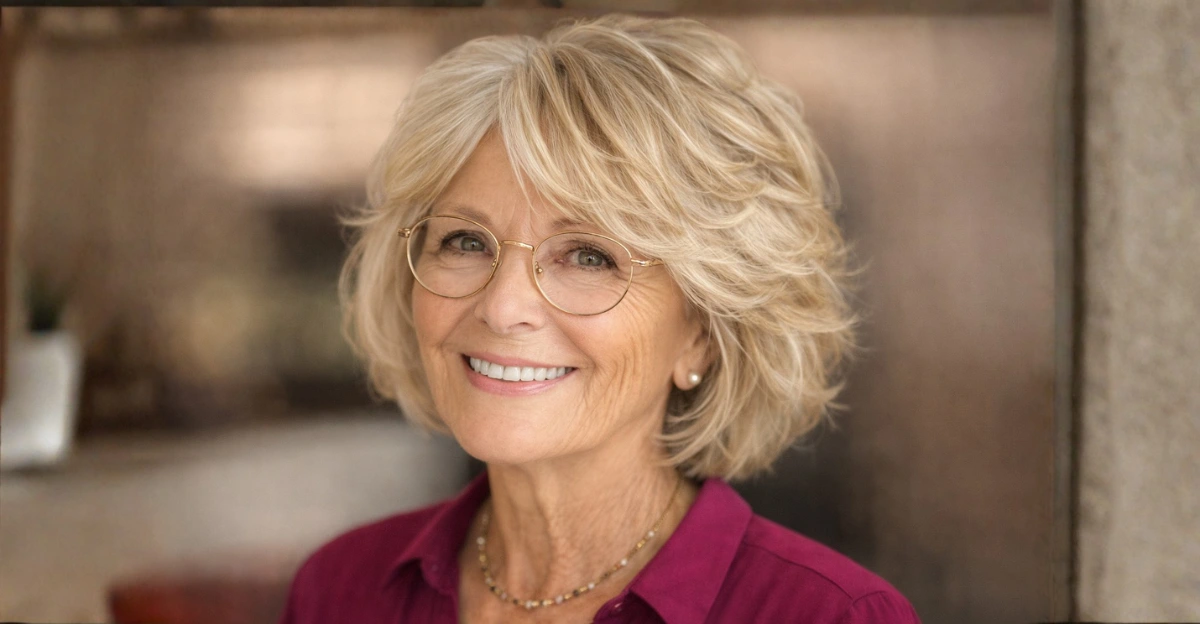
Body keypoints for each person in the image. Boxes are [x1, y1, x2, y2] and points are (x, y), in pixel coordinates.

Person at [281, 14, 919, 624]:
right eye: (466, 242)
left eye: (589, 256)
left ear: (702, 332)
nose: (502, 307)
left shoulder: (831, 616)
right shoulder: (339, 591)